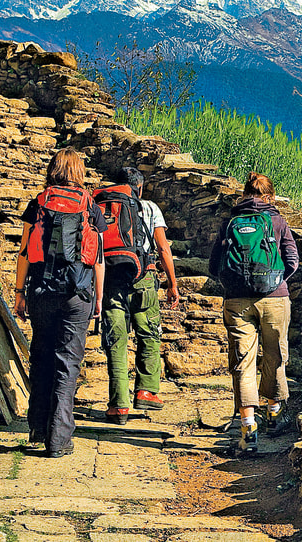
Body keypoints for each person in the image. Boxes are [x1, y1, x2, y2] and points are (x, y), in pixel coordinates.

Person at [14, 148, 106, 458]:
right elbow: (98, 260)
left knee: (41, 358)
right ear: (79, 172)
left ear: (53, 170)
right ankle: (59, 439)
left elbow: (24, 252)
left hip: (42, 290)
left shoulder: (39, 202)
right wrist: (98, 298)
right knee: (68, 364)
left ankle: (38, 431)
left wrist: (19, 292)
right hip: (77, 294)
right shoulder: (90, 206)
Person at [209, 172, 299, 455]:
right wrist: (275, 283)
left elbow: (214, 265)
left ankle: (248, 429)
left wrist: (234, 285)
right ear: (269, 196)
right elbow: (292, 260)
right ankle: (274, 414)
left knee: (243, 362)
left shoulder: (230, 222)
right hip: (274, 299)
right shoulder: (278, 221)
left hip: (237, 301)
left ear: (244, 193)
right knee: (275, 355)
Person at [101, 167, 180, 425]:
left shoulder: (104, 207)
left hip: (111, 277)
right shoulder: (149, 207)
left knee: (116, 339)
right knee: (148, 333)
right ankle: (146, 391)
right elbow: (163, 247)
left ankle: (118, 405)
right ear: (140, 188)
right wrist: (172, 284)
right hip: (143, 277)